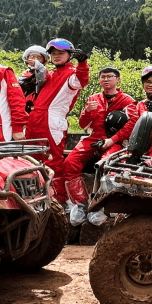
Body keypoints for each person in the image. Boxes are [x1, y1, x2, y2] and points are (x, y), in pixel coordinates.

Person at [25, 39, 91, 222]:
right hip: (34, 120)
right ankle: (35, 201)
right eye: (53, 53)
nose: (56, 55)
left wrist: (82, 62)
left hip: (51, 122)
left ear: (70, 54)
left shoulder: (71, 74)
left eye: (61, 52)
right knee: (31, 161)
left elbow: (82, 80)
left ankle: (59, 204)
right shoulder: (50, 73)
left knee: (53, 163)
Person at [57, 64, 133, 223]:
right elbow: (83, 125)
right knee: (70, 162)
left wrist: (112, 140)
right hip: (94, 138)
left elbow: (132, 124)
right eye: (102, 77)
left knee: (109, 166)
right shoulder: (93, 98)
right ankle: (81, 204)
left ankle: (103, 206)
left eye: (109, 76)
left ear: (117, 79)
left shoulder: (127, 101)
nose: (105, 79)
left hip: (115, 140)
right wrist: (86, 112)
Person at [101, 66, 152, 160]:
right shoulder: (141, 104)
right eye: (147, 82)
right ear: (143, 84)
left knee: (147, 168)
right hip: (141, 141)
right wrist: (114, 138)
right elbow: (133, 124)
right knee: (122, 165)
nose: (150, 85)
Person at [19, 44, 49, 111]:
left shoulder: (43, 71)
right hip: (24, 101)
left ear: (44, 61)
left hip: (36, 103)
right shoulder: (26, 72)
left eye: (38, 58)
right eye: (32, 57)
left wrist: (36, 63)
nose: (35, 59)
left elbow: (41, 76)